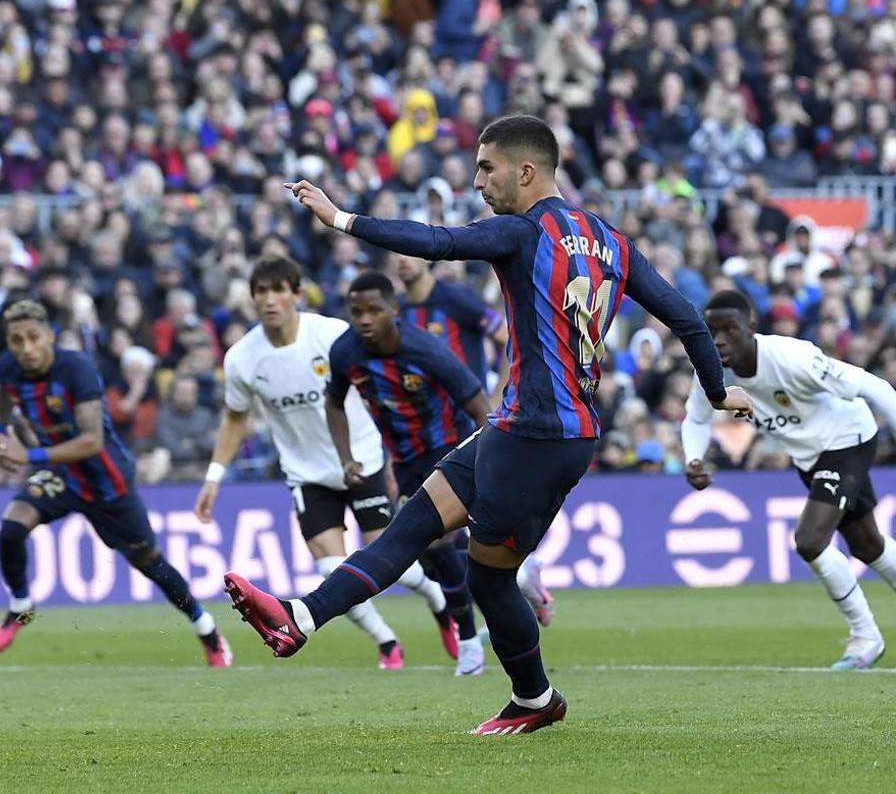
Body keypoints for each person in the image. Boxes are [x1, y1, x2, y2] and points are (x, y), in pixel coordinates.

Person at [224, 114, 750, 735]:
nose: (478, 180)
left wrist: (342, 220)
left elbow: (438, 243)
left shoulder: (524, 232)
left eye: (486, 167)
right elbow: (689, 318)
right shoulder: (610, 240)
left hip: (539, 434)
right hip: (534, 427)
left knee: (487, 573)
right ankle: (301, 616)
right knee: (416, 522)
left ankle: (535, 698)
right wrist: (717, 391)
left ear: (525, 172)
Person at [195, 256, 452, 671]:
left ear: (297, 294)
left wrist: (394, 451)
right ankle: (387, 641)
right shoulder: (242, 358)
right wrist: (214, 477)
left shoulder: (333, 336)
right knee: (333, 568)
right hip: (307, 474)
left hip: (361, 461)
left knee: (392, 563)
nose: (269, 300)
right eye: (261, 291)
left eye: (279, 289)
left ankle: (439, 600)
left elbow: (376, 387)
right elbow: (235, 418)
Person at [326, 271, 554, 677]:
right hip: (405, 458)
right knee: (448, 552)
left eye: (374, 310)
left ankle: (468, 644)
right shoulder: (344, 353)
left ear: (394, 312)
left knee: (436, 545)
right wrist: (346, 457)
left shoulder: (426, 350)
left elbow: (476, 402)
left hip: (451, 448)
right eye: (356, 311)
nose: (364, 319)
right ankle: (520, 576)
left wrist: (492, 459)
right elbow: (334, 403)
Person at [0, 300, 231, 667]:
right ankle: (20, 606)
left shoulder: (76, 370)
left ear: (50, 336)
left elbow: (91, 441)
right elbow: (6, 393)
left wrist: (29, 457)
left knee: (148, 560)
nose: (26, 348)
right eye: (16, 340)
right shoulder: (8, 368)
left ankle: (207, 628)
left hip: (106, 482)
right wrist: (2, 433)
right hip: (62, 475)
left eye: (33, 338)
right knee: (10, 528)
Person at [682, 289, 896, 670]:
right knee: (868, 546)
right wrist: (694, 458)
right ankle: (867, 636)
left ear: (751, 326)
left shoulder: (793, 357)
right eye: (711, 331)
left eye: (729, 329)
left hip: (848, 440)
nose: (718, 339)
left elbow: (873, 386)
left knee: (810, 540)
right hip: (809, 456)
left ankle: (865, 635)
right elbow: (696, 417)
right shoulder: (712, 372)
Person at [395, 255, 509, 391]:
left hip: (471, 410)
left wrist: (498, 398)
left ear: (427, 257)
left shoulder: (457, 298)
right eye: (396, 252)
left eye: (408, 250)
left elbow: (508, 340)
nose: (402, 258)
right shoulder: (395, 310)